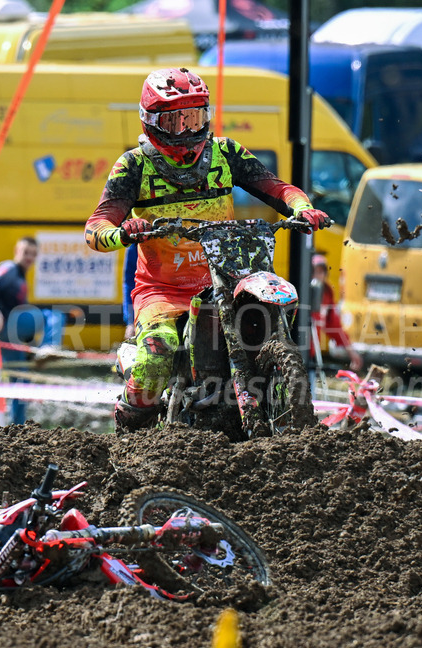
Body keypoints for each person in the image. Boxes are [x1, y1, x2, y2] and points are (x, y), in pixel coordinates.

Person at [84, 67, 331, 431]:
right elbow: (96, 227)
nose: (187, 130)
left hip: (227, 278)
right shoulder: (133, 166)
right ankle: (131, 426)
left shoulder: (225, 152)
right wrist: (121, 233)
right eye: (175, 121)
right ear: (151, 122)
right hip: (163, 291)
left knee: (265, 318)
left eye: (194, 118)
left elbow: (277, 188)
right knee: (157, 356)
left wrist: (302, 208)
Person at [0, 236, 64, 424]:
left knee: (20, 378)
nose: (29, 257)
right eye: (26, 252)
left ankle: (17, 426)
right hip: (8, 324)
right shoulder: (9, 268)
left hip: (10, 335)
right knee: (54, 316)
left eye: (33, 254)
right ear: (16, 251)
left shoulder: (20, 277)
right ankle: (49, 346)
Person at [310, 253, 363, 373]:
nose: (317, 276)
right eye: (314, 272)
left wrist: (351, 352)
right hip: (296, 351)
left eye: (320, 272)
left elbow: (334, 327)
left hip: (312, 354)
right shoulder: (300, 292)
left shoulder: (326, 294)